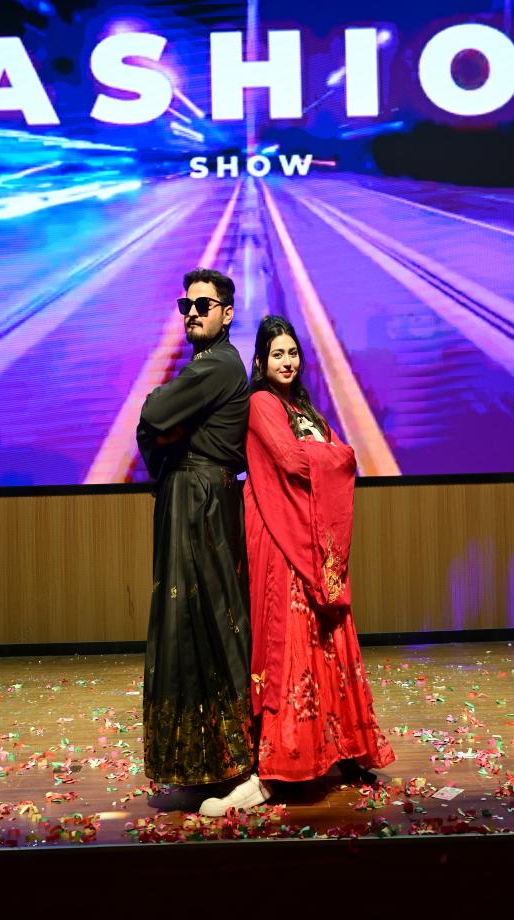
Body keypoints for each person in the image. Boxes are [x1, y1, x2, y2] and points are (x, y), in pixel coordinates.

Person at [199, 315, 394, 815]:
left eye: (292, 353)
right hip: (278, 533)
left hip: (311, 537)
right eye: (277, 354)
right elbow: (294, 460)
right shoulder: (262, 403)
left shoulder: (302, 407)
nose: (287, 362)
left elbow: (332, 453)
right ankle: (276, 766)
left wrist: (332, 453)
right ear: (260, 361)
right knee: (287, 641)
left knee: (327, 638)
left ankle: (340, 747)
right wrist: (335, 454)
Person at [136, 268, 254, 797]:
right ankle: (202, 758)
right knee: (191, 623)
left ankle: (229, 758)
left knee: (202, 623)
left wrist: (165, 419)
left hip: (199, 501)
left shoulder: (218, 365)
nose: (192, 313)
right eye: (186, 305)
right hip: (194, 496)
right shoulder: (207, 364)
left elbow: (156, 412)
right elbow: (156, 427)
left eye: (203, 305)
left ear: (226, 314)